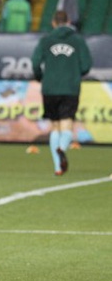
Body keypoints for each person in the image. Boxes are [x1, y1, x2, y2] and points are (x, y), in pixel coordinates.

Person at [31, 10, 92, 176]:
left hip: (50, 88)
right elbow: (86, 65)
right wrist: (74, 74)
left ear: (53, 23)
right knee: (67, 124)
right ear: (69, 21)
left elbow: (35, 62)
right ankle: (62, 149)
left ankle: (58, 167)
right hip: (70, 88)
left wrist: (40, 77)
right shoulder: (78, 41)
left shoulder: (46, 40)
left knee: (55, 126)